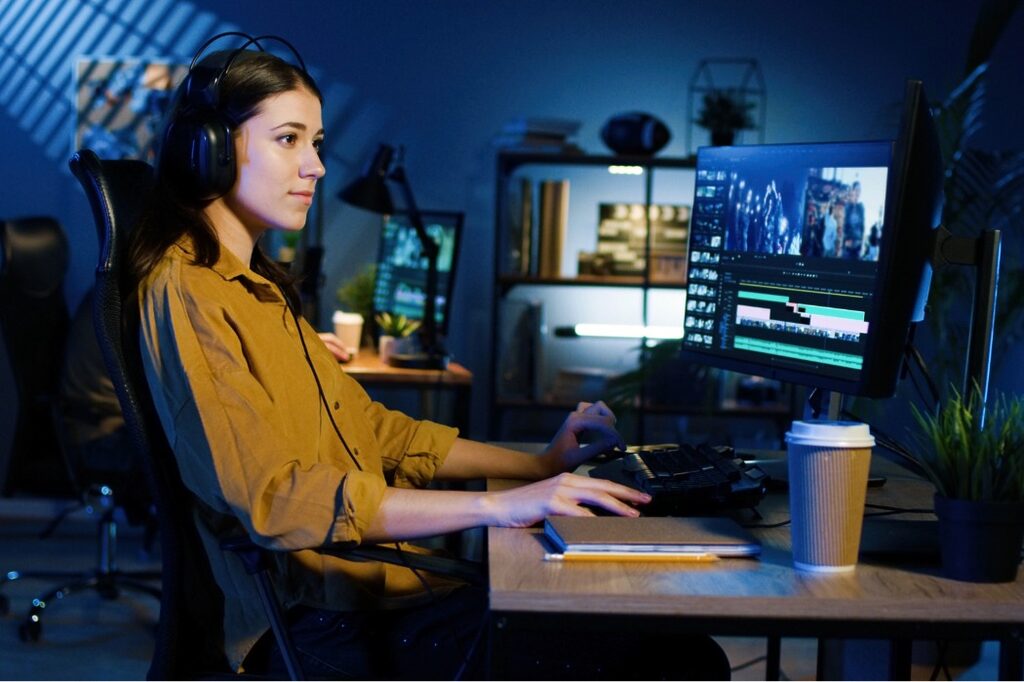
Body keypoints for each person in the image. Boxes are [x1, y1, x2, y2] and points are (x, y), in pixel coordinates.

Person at [127, 41, 729, 680]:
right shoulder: (186, 290)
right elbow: (276, 499)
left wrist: (540, 466)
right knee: (676, 659)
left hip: (374, 596)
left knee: (649, 632)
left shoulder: (262, 288)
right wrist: (495, 507)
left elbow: (383, 434)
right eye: (288, 140)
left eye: (317, 141)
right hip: (316, 629)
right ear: (210, 151)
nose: (316, 166)